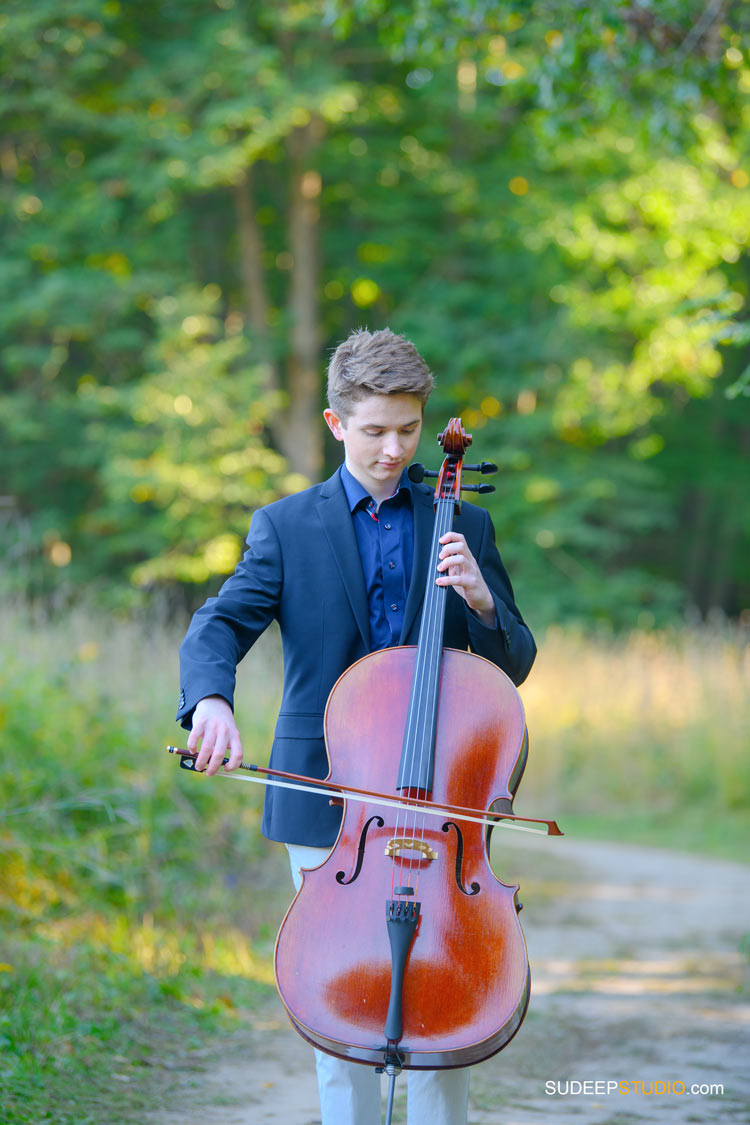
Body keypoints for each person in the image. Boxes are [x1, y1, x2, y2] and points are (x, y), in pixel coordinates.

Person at [177, 327, 536, 1125]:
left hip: (440, 805)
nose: (393, 448)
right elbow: (217, 626)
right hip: (330, 800)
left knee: (445, 1024)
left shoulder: (463, 525)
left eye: (409, 430)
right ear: (339, 424)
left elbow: (512, 663)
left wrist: (482, 603)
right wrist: (210, 702)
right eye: (375, 430)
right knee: (342, 1025)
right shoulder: (286, 526)